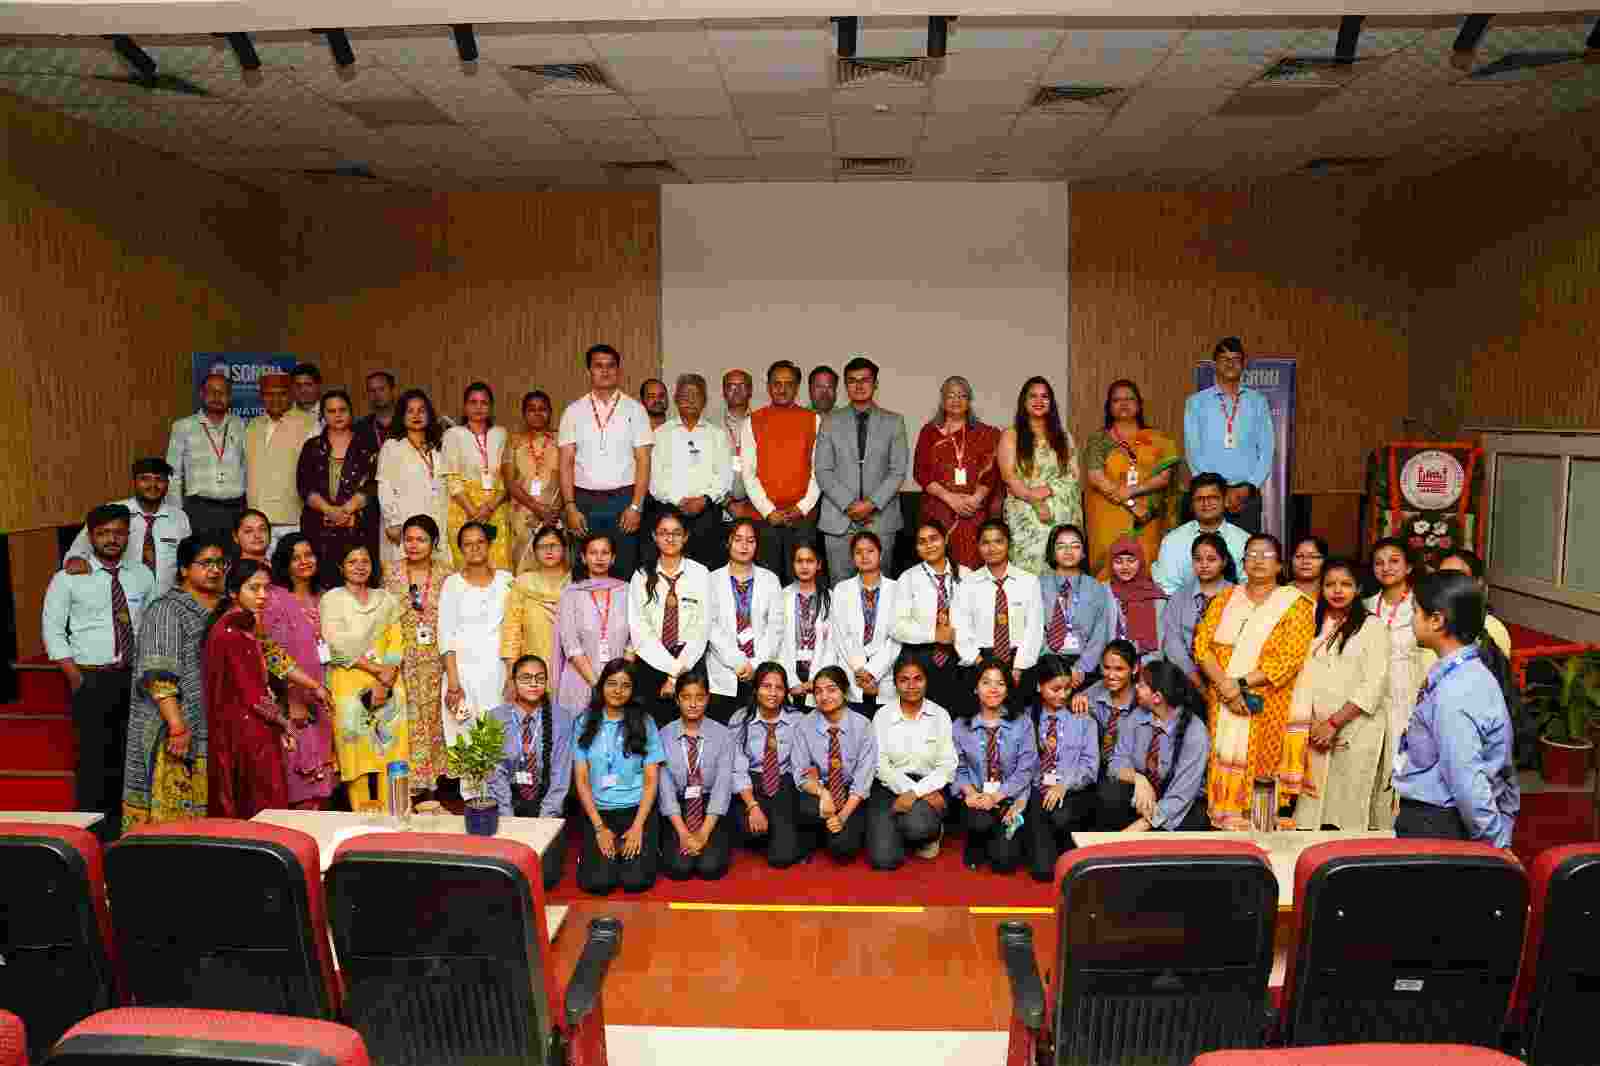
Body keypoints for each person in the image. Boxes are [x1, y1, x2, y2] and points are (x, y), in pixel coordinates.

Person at [44, 504, 158, 835]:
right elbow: (52, 629)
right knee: (94, 759)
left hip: (134, 677)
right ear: (91, 536)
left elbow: (151, 623)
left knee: (131, 755)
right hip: (90, 677)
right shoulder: (67, 579)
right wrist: (74, 676)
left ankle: (130, 827)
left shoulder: (141, 575)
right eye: (103, 533)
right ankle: (92, 834)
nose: (111, 539)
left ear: (128, 535)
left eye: (118, 532)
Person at [1195, 532, 1316, 829]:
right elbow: (1202, 646)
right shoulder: (1225, 599)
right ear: (1242, 562)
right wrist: (1226, 687)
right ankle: (1225, 829)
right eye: (1251, 554)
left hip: (1270, 704)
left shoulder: (1295, 605)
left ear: (1280, 566)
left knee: (1264, 771)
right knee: (1224, 759)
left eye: (1267, 555)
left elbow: (1288, 659)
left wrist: (1238, 684)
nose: (1258, 560)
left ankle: (1263, 837)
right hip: (1224, 701)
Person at [1394, 571, 1519, 846]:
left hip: (1440, 824)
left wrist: (1497, 845)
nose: (1411, 620)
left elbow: (1467, 781)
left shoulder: (1457, 689)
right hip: (1438, 818)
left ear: (1436, 621)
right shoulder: (1461, 674)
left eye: (1415, 611)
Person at [206, 560, 330, 820]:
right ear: (233, 592)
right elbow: (253, 694)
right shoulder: (231, 633)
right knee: (259, 802)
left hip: (254, 725)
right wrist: (285, 723)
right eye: (254, 588)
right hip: (244, 730)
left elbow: (274, 657)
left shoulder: (247, 624)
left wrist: (314, 686)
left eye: (266, 588)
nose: (262, 595)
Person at [122, 532, 227, 831]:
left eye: (220, 563)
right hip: (173, 726)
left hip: (216, 725)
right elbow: (158, 674)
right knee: (172, 817)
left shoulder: (226, 608)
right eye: (205, 563)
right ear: (184, 569)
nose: (215, 570)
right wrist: (177, 725)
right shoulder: (166, 609)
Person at [1289, 559, 1390, 830]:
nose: (1337, 590)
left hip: (1356, 726)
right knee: (1311, 810)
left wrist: (1333, 724)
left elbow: (1373, 684)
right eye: (1330, 584)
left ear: (1358, 589)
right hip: (1314, 728)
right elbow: (1299, 674)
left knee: (1347, 806)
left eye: (1345, 584)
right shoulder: (1311, 622)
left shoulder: (1373, 626)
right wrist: (1312, 723)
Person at [322, 545, 408, 814]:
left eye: (365, 561)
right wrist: (376, 670)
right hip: (348, 684)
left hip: (390, 683)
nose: (360, 566)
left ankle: (396, 818)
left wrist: (385, 678)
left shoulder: (386, 599)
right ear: (341, 567)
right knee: (356, 756)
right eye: (352, 561)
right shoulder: (332, 600)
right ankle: (361, 821)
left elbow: (397, 640)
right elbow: (335, 646)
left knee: (391, 753)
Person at [559, 345, 654, 580]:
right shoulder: (573, 411)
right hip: (583, 502)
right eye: (598, 366)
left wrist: (636, 506)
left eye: (611, 366)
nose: (605, 371)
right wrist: (570, 506)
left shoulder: (636, 410)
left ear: (618, 371)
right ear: (588, 371)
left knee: (624, 568)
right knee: (584, 570)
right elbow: (566, 463)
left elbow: (643, 461)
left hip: (624, 501)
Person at [573, 660, 666, 895]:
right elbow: (581, 779)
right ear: (601, 686)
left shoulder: (645, 722)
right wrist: (599, 828)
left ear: (633, 690)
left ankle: (647, 850)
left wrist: (638, 826)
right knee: (599, 883)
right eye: (612, 683)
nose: (618, 690)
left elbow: (651, 780)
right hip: (599, 812)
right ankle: (593, 855)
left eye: (625, 685)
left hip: (636, 810)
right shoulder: (584, 721)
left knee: (636, 882)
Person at [814, 357, 910, 582]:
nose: (858, 385)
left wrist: (870, 505)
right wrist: (849, 505)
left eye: (865, 380)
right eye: (852, 380)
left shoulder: (894, 422)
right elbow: (823, 469)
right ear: (845, 385)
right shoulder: (829, 421)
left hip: (880, 519)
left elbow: (898, 471)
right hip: (839, 518)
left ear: (875, 384)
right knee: (840, 589)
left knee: (879, 588)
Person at [382, 514, 453, 805]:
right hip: (403, 658)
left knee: (435, 718)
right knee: (407, 719)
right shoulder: (391, 572)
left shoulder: (447, 574)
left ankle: (436, 784)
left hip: (437, 658)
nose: (413, 545)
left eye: (421, 539)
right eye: (408, 539)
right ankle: (409, 786)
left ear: (434, 542)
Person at [262, 534, 337, 811]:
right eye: (296, 557)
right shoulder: (274, 599)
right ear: (285, 563)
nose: (304, 561)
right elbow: (271, 654)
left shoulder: (326, 596)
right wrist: (292, 700)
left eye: (309, 555)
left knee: (326, 783)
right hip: (296, 698)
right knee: (302, 782)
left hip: (327, 695)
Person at [487, 654, 573, 888]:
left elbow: (561, 776)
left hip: (545, 803)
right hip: (510, 801)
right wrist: (507, 820)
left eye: (539, 678)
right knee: (507, 874)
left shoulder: (562, 718)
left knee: (545, 878)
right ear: (513, 682)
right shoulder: (495, 717)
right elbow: (495, 773)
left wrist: (544, 823)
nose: (533, 684)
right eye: (525, 678)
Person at [1367, 535, 1437, 818]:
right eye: (1379, 562)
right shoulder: (1366, 605)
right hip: (1372, 695)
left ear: (1408, 567)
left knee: (1403, 759)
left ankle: (1398, 824)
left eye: (1394, 561)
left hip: (1408, 692)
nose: (1386, 567)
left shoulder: (1423, 606)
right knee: (1371, 761)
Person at [439, 522, 515, 780]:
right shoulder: (452, 584)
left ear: (489, 545)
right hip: (462, 674)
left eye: (480, 542)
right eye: (468, 544)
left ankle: (500, 797)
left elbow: (514, 630)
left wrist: (512, 676)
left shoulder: (507, 581)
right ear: (460, 549)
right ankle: (473, 799)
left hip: (498, 673)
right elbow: (445, 635)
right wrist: (453, 684)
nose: (475, 548)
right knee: (465, 736)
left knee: (498, 735)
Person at [1098, 660, 1212, 831]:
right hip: (1143, 797)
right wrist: (1139, 780)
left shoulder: (1195, 731)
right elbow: (1116, 763)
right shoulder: (1136, 717)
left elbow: (1180, 796)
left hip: (1178, 805)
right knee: (1109, 793)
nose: (1136, 687)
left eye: (1142, 685)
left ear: (1157, 697)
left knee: (1194, 820)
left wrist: (1133, 830)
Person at [1083, 379, 1181, 577]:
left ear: (1139, 404)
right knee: (1109, 574)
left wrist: (1132, 491)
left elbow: (1164, 478)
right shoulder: (1098, 440)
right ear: (1109, 407)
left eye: (1129, 399)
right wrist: (1131, 504)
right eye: (1117, 400)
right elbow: (1096, 477)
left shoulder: (1160, 439)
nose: (1124, 404)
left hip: (1148, 520)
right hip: (1108, 519)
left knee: (1146, 570)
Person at [867, 654, 956, 870]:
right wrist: (908, 791)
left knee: (919, 826)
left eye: (918, 679)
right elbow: (879, 764)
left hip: (930, 786)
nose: (911, 686)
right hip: (889, 785)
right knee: (883, 860)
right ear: (895, 683)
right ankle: (896, 829)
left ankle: (927, 831)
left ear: (926, 681)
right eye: (904, 680)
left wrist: (916, 793)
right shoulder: (882, 716)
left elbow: (947, 765)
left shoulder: (940, 715)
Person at [628, 509, 713, 727]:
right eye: (663, 532)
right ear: (654, 536)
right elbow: (639, 629)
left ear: (685, 537)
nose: (670, 538)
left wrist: (675, 676)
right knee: (650, 731)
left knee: (690, 729)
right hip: (652, 665)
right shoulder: (641, 575)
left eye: (676, 533)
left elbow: (701, 628)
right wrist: (670, 669)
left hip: (690, 664)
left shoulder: (700, 573)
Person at [742, 360, 822, 585]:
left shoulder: (813, 420)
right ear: (768, 386)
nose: (782, 389)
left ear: (797, 387)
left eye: (789, 384)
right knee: (767, 584)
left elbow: (819, 471)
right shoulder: (752, 421)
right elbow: (748, 473)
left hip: (803, 518)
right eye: (777, 383)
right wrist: (768, 511)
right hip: (765, 519)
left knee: (802, 584)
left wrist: (802, 508)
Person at [953, 660, 1037, 873]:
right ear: (976, 688)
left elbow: (1026, 769)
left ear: (1007, 689)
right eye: (986, 682)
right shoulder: (960, 725)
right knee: (979, 823)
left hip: (1011, 796)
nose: (993, 689)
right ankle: (978, 838)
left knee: (1004, 863)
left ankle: (1000, 838)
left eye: (1000, 683)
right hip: (978, 798)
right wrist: (971, 794)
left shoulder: (1023, 722)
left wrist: (998, 797)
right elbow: (957, 768)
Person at [1184, 337, 1273, 535]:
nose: (1230, 363)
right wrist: (1218, 491)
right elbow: (1193, 451)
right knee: (1208, 551)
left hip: (1246, 495)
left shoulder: (1258, 401)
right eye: (1225, 359)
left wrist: (1248, 487)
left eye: (1236, 359)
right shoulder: (1196, 402)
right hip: (1209, 495)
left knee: (1245, 551)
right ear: (1215, 364)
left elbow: (1267, 450)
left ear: (1244, 364)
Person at [913, 375, 1002, 571]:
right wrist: (950, 499)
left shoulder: (985, 433)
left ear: (969, 401)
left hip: (973, 511)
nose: (956, 400)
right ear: (942, 400)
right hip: (938, 509)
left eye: (962, 395)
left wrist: (976, 499)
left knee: (971, 569)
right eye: (951, 395)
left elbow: (991, 471)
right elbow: (921, 472)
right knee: (939, 567)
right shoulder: (929, 432)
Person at [63, 458, 192, 593]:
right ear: (134, 482)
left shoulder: (179, 518)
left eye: (159, 479)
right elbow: (78, 550)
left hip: (166, 598)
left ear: (167, 483)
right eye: (145, 479)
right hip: (120, 597)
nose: (152, 485)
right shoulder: (113, 512)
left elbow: (187, 561)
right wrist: (75, 560)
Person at [647, 373, 733, 571]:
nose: (691, 400)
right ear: (676, 399)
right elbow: (654, 479)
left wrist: (703, 500)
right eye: (685, 395)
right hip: (670, 513)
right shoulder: (660, 434)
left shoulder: (717, 435)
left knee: (707, 573)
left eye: (696, 395)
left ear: (705, 400)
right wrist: (680, 500)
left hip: (708, 515)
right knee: (671, 570)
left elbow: (724, 477)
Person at [1025, 654, 1100, 879]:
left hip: (1072, 791)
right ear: (1039, 687)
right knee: (1042, 872)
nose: (1063, 695)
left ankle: (1065, 845)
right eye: (1055, 689)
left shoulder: (1083, 720)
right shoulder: (1027, 718)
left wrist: (1064, 785)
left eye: (1067, 688)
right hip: (1036, 790)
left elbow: (1090, 767)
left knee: (1061, 816)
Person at [792, 665, 877, 862]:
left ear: (844, 691)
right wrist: (823, 793)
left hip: (850, 792)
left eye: (831, 689)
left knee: (843, 852)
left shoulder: (863, 725)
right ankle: (817, 830)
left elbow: (863, 779)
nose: (824, 697)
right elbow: (800, 771)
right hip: (819, 789)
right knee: (804, 808)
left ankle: (832, 830)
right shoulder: (804, 725)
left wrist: (842, 816)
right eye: (818, 691)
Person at [298, 389, 381, 589]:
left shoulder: (368, 444)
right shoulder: (312, 446)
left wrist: (346, 511)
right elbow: (304, 485)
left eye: (342, 410)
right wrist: (329, 510)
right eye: (331, 411)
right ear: (323, 415)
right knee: (321, 586)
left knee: (359, 584)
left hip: (358, 527)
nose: (337, 415)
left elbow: (374, 484)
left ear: (351, 412)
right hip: (319, 527)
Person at [998, 376, 1081, 574]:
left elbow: (1073, 474)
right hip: (1026, 515)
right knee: (1029, 576)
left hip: (1062, 514)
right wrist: (1035, 500)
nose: (1039, 401)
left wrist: (1049, 489)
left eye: (1044, 396)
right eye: (1033, 396)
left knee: (1061, 572)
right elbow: (1008, 476)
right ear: (1024, 401)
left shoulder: (1063, 436)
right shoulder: (1011, 435)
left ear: (1051, 402)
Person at [657, 673, 735, 881]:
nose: (693, 704)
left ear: (708, 699)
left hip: (710, 806)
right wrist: (683, 833)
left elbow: (722, 787)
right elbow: (665, 790)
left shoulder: (723, 735)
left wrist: (703, 833)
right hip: (678, 807)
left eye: (699, 697)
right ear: (677, 699)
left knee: (711, 868)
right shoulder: (663, 735)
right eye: (686, 697)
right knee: (678, 869)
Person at [729, 662, 807, 867]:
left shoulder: (798, 720)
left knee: (781, 858)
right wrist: (752, 806)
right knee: (750, 830)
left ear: (786, 692)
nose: (772, 693)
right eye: (766, 686)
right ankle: (772, 831)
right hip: (752, 780)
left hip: (784, 781)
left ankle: (786, 834)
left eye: (779, 687)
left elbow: (802, 765)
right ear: (756, 689)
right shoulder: (740, 719)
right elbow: (737, 768)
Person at [705, 518, 782, 722]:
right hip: (724, 671)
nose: (744, 546)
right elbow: (710, 627)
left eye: (750, 540)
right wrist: (738, 661)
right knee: (724, 732)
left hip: (761, 670)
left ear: (757, 545)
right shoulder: (711, 580)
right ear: (728, 542)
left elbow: (776, 628)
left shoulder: (770, 579)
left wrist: (755, 664)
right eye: (738, 539)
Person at [955, 520, 1043, 697]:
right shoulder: (968, 584)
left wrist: (1018, 667)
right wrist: (982, 666)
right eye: (985, 542)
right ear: (978, 546)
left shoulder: (1029, 581)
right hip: (979, 660)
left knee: (1018, 710)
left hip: (1020, 659)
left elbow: (1034, 629)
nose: (992, 548)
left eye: (998, 541)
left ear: (1008, 543)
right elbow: (960, 629)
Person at [889, 521, 971, 712]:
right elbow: (895, 627)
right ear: (916, 548)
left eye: (934, 539)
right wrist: (934, 634)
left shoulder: (967, 574)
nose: (929, 545)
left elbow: (977, 620)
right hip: (921, 658)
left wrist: (957, 634)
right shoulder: (908, 578)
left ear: (946, 539)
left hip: (960, 657)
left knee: (958, 715)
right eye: (922, 541)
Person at [557, 532, 632, 717]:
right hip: (580, 678)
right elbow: (570, 644)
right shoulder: (570, 593)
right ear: (583, 557)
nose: (599, 558)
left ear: (613, 558)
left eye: (605, 553)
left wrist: (619, 679)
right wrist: (598, 685)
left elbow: (634, 639)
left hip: (619, 684)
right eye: (593, 553)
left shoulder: (627, 591)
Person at [1037, 524, 1119, 690]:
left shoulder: (1095, 588)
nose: (1068, 551)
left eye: (1075, 546)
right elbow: (1032, 629)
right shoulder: (1038, 585)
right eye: (1061, 546)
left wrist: (1082, 667)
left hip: (1085, 665)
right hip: (1047, 662)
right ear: (1052, 552)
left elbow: (1100, 634)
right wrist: (1053, 667)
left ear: (1083, 553)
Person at [165, 372, 248, 537]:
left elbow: (247, 468)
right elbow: (172, 475)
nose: (217, 396)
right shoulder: (183, 426)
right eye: (211, 391)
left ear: (230, 396)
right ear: (201, 394)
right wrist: (177, 514)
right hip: (199, 510)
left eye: (222, 392)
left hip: (235, 509)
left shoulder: (240, 425)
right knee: (201, 553)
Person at [245, 371, 316, 556]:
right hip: (257, 522)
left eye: (281, 394)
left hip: (292, 520)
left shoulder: (309, 424)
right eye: (269, 394)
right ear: (261, 396)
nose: (275, 399)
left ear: (291, 395)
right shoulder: (253, 425)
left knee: (292, 569)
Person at [377, 389, 450, 570]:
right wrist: (392, 522)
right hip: (404, 523)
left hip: (438, 520)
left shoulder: (438, 447)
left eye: (421, 410)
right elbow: (384, 486)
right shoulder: (393, 446)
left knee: (437, 576)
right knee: (406, 576)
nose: (416, 415)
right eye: (410, 411)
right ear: (401, 416)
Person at [444, 382, 513, 572]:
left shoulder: (501, 433)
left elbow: (508, 476)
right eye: (473, 402)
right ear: (465, 407)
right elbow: (452, 478)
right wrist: (474, 512)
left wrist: (490, 507)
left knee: (498, 567)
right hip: (463, 507)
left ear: (491, 407)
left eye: (484, 402)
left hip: (496, 507)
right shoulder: (453, 434)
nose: (478, 407)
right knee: (468, 565)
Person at [1160, 531, 1237, 690]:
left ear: (1224, 562)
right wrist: (1194, 678)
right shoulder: (1180, 596)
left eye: (1211, 559)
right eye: (1198, 559)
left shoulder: (1237, 595)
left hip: (1228, 678)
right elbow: (1172, 641)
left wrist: (1222, 680)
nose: (1204, 565)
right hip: (1185, 678)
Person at [833, 531, 901, 710]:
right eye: (858, 552)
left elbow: (897, 637)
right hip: (853, 673)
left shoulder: (897, 589)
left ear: (881, 554)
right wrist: (860, 669)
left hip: (885, 673)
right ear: (852, 557)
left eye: (870, 551)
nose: (864, 556)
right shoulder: (841, 589)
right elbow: (840, 636)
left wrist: (873, 671)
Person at [1151, 473, 1250, 594]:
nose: (1206, 503)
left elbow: (1250, 586)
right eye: (1199, 499)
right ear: (1192, 505)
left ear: (1225, 500)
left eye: (1213, 498)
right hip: (1183, 604)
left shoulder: (1243, 540)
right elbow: (1166, 588)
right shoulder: (1172, 541)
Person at [503, 390, 564, 572]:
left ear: (550, 412)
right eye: (531, 409)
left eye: (542, 409)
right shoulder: (513, 442)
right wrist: (537, 508)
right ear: (524, 414)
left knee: (554, 565)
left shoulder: (561, 440)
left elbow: (570, 477)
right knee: (523, 567)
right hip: (522, 514)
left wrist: (554, 510)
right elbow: (509, 482)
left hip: (554, 515)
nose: (537, 413)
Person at [774, 541, 839, 708]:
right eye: (799, 561)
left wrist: (817, 679)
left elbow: (832, 644)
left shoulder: (830, 598)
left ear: (819, 565)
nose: (804, 566)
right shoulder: (781, 596)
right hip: (788, 670)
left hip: (819, 672)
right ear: (793, 564)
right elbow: (777, 642)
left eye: (809, 561)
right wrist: (791, 680)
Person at [500, 525, 570, 677]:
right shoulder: (523, 584)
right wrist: (511, 672)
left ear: (564, 548)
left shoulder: (576, 584)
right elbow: (511, 630)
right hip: (531, 666)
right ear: (534, 551)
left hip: (571, 666)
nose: (548, 551)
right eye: (542, 547)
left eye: (554, 545)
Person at [1069, 639, 1142, 782]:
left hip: (1127, 772)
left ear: (1134, 669)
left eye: (1119, 669)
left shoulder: (1141, 700)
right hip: (1094, 769)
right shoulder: (1097, 688)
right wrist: (1075, 699)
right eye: (1107, 668)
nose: (1111, 675)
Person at [1437, 549, 1511, 657]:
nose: (1446, 584)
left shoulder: (1491, 628)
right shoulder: (1431, 620)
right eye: (1441, 576)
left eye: (1456, 577)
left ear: (1478, 583)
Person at [1106, 536, 1167, 662]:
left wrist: (1137, 668)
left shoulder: (1155, 596)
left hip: (1146, 665)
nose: (1125, 567)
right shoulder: (1100, 593)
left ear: (1140, 561)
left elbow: (1158, 649)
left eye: (1131, 560)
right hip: (1108, 665)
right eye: (1118, 561)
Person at [715, 368, 758, 522]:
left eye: (741, 385)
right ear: (724, 392)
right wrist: (728, 503)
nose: (736, 390)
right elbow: (706, 471)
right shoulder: (712, 426)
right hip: (719, 506)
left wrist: (751, 505)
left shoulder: (761, 423)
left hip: (755, 507)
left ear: (750, 390)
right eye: (731, 386)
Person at [354, 370, 397, 455]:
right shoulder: (360, 428)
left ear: (393, 391)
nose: (377, 394)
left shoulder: (408, 422)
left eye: (381, 389)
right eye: (372, 390)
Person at [1290, 535, 1328, 602]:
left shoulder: (1332, 593)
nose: (1305, 561)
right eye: (1299, 556)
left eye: (1313, 557)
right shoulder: (1280, 593)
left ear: (1324, 560)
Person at [291, 362, 324, 430]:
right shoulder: (284, 414)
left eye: (308, 385)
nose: (303, 390)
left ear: (318, 386)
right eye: (298, 385)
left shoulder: (329, 413)